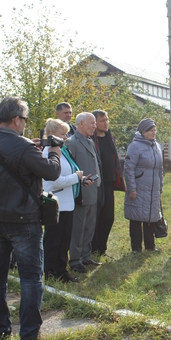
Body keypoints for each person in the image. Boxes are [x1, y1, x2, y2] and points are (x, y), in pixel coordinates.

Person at [0, 97, 61, 340]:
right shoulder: (23, 147)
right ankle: (30, 335)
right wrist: (55, 149)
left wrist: (28, 149)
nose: (25, 124)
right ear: (16, 119)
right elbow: (52, 171)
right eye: (25, 119)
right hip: (23, 221)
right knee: (31, 279)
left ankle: (1, 330)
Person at [42, 118, 87, 283]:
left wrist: (80, 179)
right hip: (56, 203)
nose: (66, 136)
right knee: (54, 240)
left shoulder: (62, 151)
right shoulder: (48, 153)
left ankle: (61, 271)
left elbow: (68, 174)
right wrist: (76, 177)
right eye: (62, 134)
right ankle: (49, 271)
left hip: (67, 203)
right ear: (52, 135)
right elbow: (55, 181)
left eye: (67, 133)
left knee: (64, 240)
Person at [65, 112, 102, 273]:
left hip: (92, 189)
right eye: (91, 123)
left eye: (94, 123)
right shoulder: (72, 143)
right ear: (80, 124)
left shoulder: (88, 141)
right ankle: (75, 259)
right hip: (81, 190)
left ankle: (86, 255)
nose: (94, 126)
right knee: (78, 227)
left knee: (89, 225)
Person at [123, 118, 164, 253]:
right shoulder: (135, 146)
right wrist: (132, 189)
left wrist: (160, 186)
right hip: (139, 188)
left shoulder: (157, 146)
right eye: (150, 131)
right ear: (143, 132)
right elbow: (128, 169)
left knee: (151, 217)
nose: (153, 133)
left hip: (153, 188)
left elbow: (160, 169)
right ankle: (136, 247)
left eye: (154, 130)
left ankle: (150, 245)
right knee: (136, 218)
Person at [91, 110, 124, 256]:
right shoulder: (91, 139)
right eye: (102, 120)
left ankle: (102, 249)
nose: (106, 123)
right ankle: (93, 249)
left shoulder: (109, 136)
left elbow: (114, 158)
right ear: (95, 123)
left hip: (109, 182)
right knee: (96, 217)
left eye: (107, 120)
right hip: (96, 184)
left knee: (108, 217)